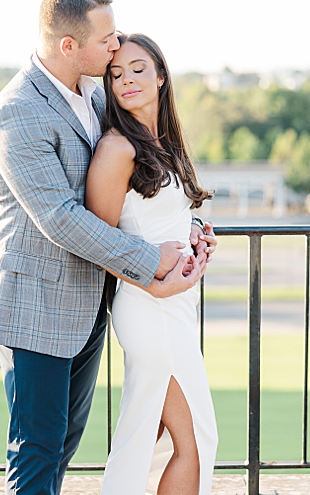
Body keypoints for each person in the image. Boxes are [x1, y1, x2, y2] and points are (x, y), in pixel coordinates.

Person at [0, 0, 216, 495]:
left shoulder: (97, 94)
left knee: (64, 443)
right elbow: (60, 218)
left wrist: (188, 230)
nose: (115, 47)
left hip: (89, 305)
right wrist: (152, 262)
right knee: (36, 452)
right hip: (36, 309)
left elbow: (143, 189)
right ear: (69, 45)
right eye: (106, 38)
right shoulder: (18, 112)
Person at [87, 33, 218, 494]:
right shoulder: (116, 149)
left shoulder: (162, 143)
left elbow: (165, 212)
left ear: (161, 75)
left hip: (175, 307)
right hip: (149, 307)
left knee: (145, 436)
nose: (126, 81)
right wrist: (154, 283)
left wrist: (196, 233)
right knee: (195, 441)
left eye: (138, 70)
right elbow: (98, 241)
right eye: (116, 74)